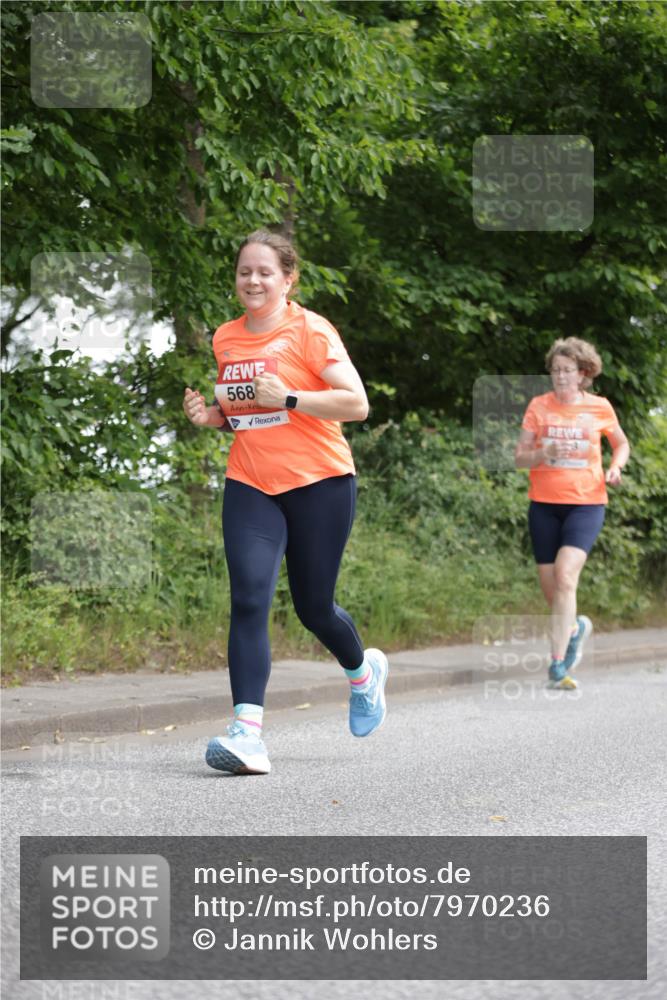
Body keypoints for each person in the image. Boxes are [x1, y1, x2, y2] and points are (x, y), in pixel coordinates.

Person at [183, 229, 388, 774]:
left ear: (288, 279)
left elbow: (357, 403)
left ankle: (363, 674)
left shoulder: (310, 329)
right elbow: (247, 409)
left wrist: (293, 397)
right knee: (249, 598)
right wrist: (214, 417)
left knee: (313, 606)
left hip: (321, 481)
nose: (253, 280)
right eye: (245, 271)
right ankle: (247, 734)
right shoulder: (226, 337)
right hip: (251, 481)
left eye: (265, 272)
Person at [515, 337, 630, 689]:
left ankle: (558, 664)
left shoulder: (599, 408)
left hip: (587, 502)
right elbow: (520, 457)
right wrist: (542, 452)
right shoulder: (539, 406)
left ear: (583, 374)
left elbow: (621, 443)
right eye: (555, 370)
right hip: (544, 505)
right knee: (553, 591)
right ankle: (576, 628)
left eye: (568, 371)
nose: (560, 377)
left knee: (566, 577)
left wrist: (616, 467)